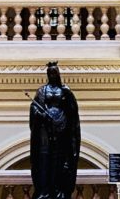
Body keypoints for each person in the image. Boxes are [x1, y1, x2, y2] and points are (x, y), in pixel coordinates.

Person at [30, 62, 80, 199]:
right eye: (50, 73)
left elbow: (72, 110)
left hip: (61, 130)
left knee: (59, 161)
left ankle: (59, 190)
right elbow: (34, 108)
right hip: (45, 131)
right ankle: (44, 190)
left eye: (54, 72)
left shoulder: (65, 90)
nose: (52, 75)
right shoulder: (42, 91)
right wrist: (41, 115)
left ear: (58, 74)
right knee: (44, 159)